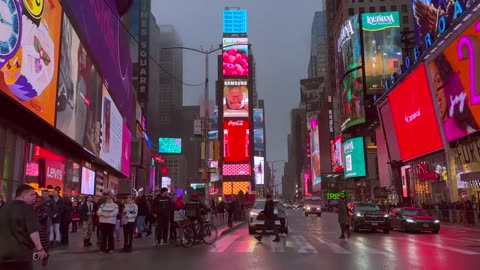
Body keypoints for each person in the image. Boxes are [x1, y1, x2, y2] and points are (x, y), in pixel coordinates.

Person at [0, 184, 48, 270]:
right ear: (23, 195)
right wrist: (40, 249)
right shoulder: (27, 209)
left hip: (3, 255)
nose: (34, 198)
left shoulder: (4, 208)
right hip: (21, 255)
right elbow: (33, 231)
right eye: (32, 195)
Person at [34, 196, 50, 266]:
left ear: (42, 202)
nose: (37, 203)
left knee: (44, 245)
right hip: (35, 229)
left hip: (42, 229)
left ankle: (45, 258)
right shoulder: (35, 208)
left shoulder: (45, 208)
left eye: (39, 201)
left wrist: (35, 217)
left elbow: (42, 217)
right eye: (36, 201)